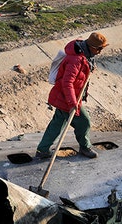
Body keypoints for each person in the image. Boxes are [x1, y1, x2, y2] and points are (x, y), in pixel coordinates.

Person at [35, 32, 109, 160]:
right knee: (84, 122)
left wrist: (89, 68)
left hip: (68, 97)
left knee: (57, 124)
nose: (100, 52)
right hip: (66, 97)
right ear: (91, 47)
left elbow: (81, 73)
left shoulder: (85, 55)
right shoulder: (76, 60)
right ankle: (85, 147)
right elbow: (67, 82)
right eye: (99, 49)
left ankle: (42, 150)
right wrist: (72, 103)